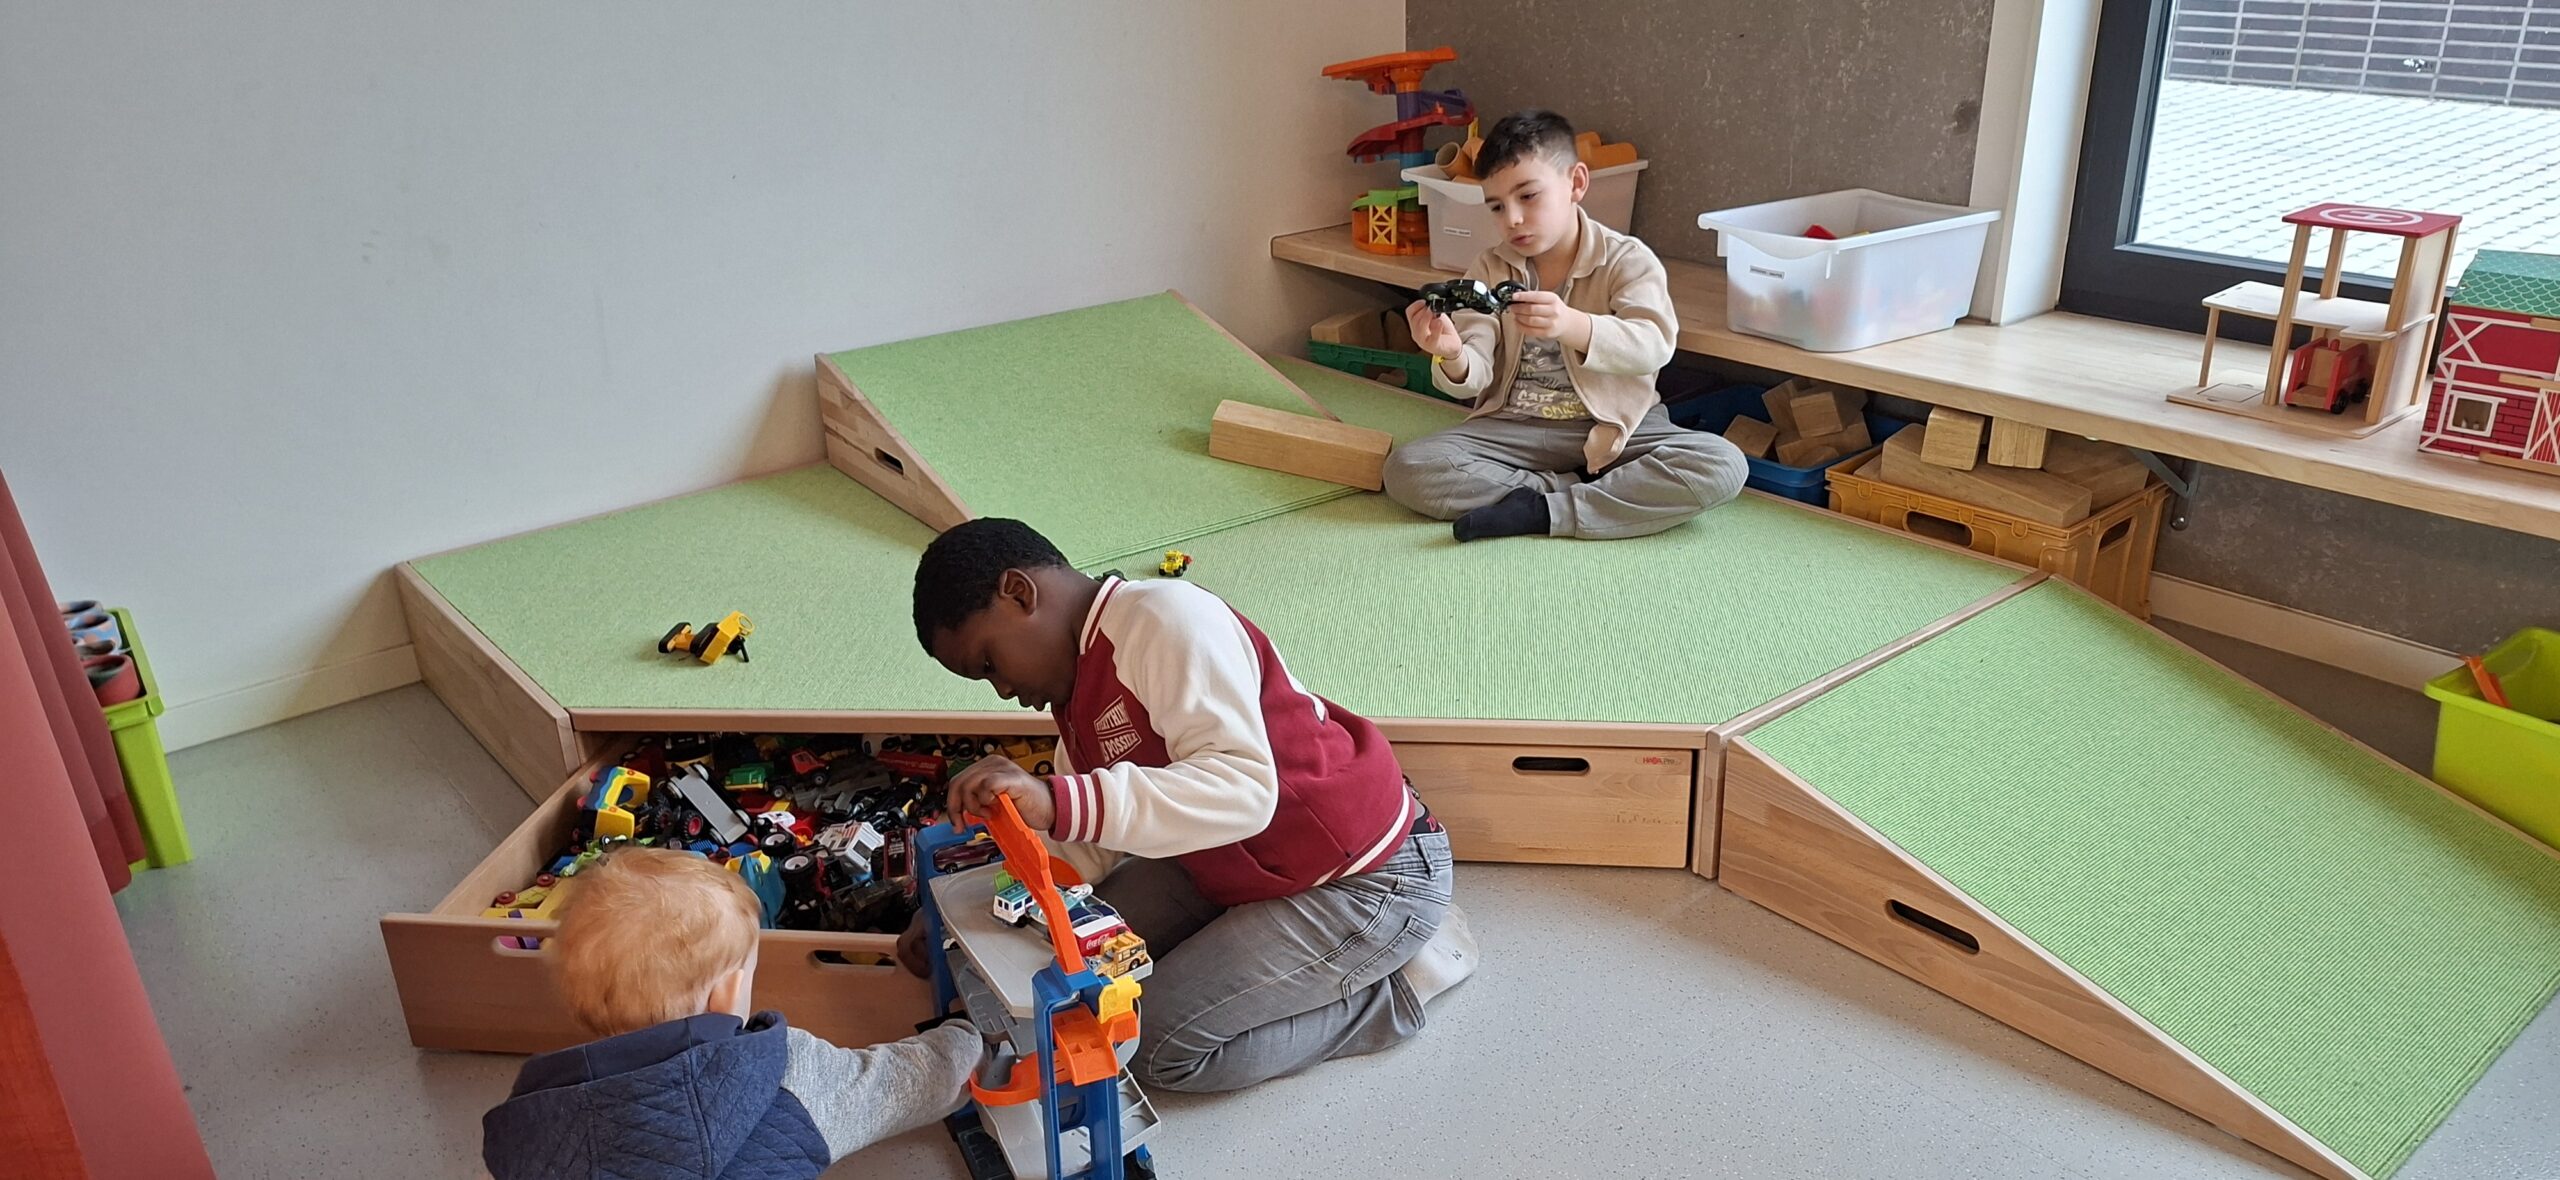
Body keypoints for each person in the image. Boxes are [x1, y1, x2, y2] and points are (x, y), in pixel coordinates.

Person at [902, 517, 1478, 1093]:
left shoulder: (1165, 618)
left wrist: (1057, 799)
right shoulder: (1077, 689)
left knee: (1155, 1047)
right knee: (1077, 956)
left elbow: (1244, 790)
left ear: (1019, 593)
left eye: (989, 664)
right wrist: (966, 916)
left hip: (1363, 876)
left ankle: (1402, 987)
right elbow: (1085, 844)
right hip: (1231, 862)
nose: (1003, 690)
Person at [482, 847, 981, 1180]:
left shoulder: (536, 1112)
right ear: (730, 991)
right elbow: (908, 1084)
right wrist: (966, 1036)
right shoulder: (791, 1076)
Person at [1382, 108, 1747, 541]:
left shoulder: (1626, 259)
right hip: (1512, 428)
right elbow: (1472, 374)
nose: (1512, 219)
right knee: (1408, 468)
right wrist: (1452, 354)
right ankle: (1568, 494)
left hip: (1615, 426)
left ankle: (1541, 512)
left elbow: (1654, 345)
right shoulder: (1489, 266)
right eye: (1496, 206)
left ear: (1576, 183)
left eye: (1528, 196)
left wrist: (1573, 325)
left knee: (1723, 464)